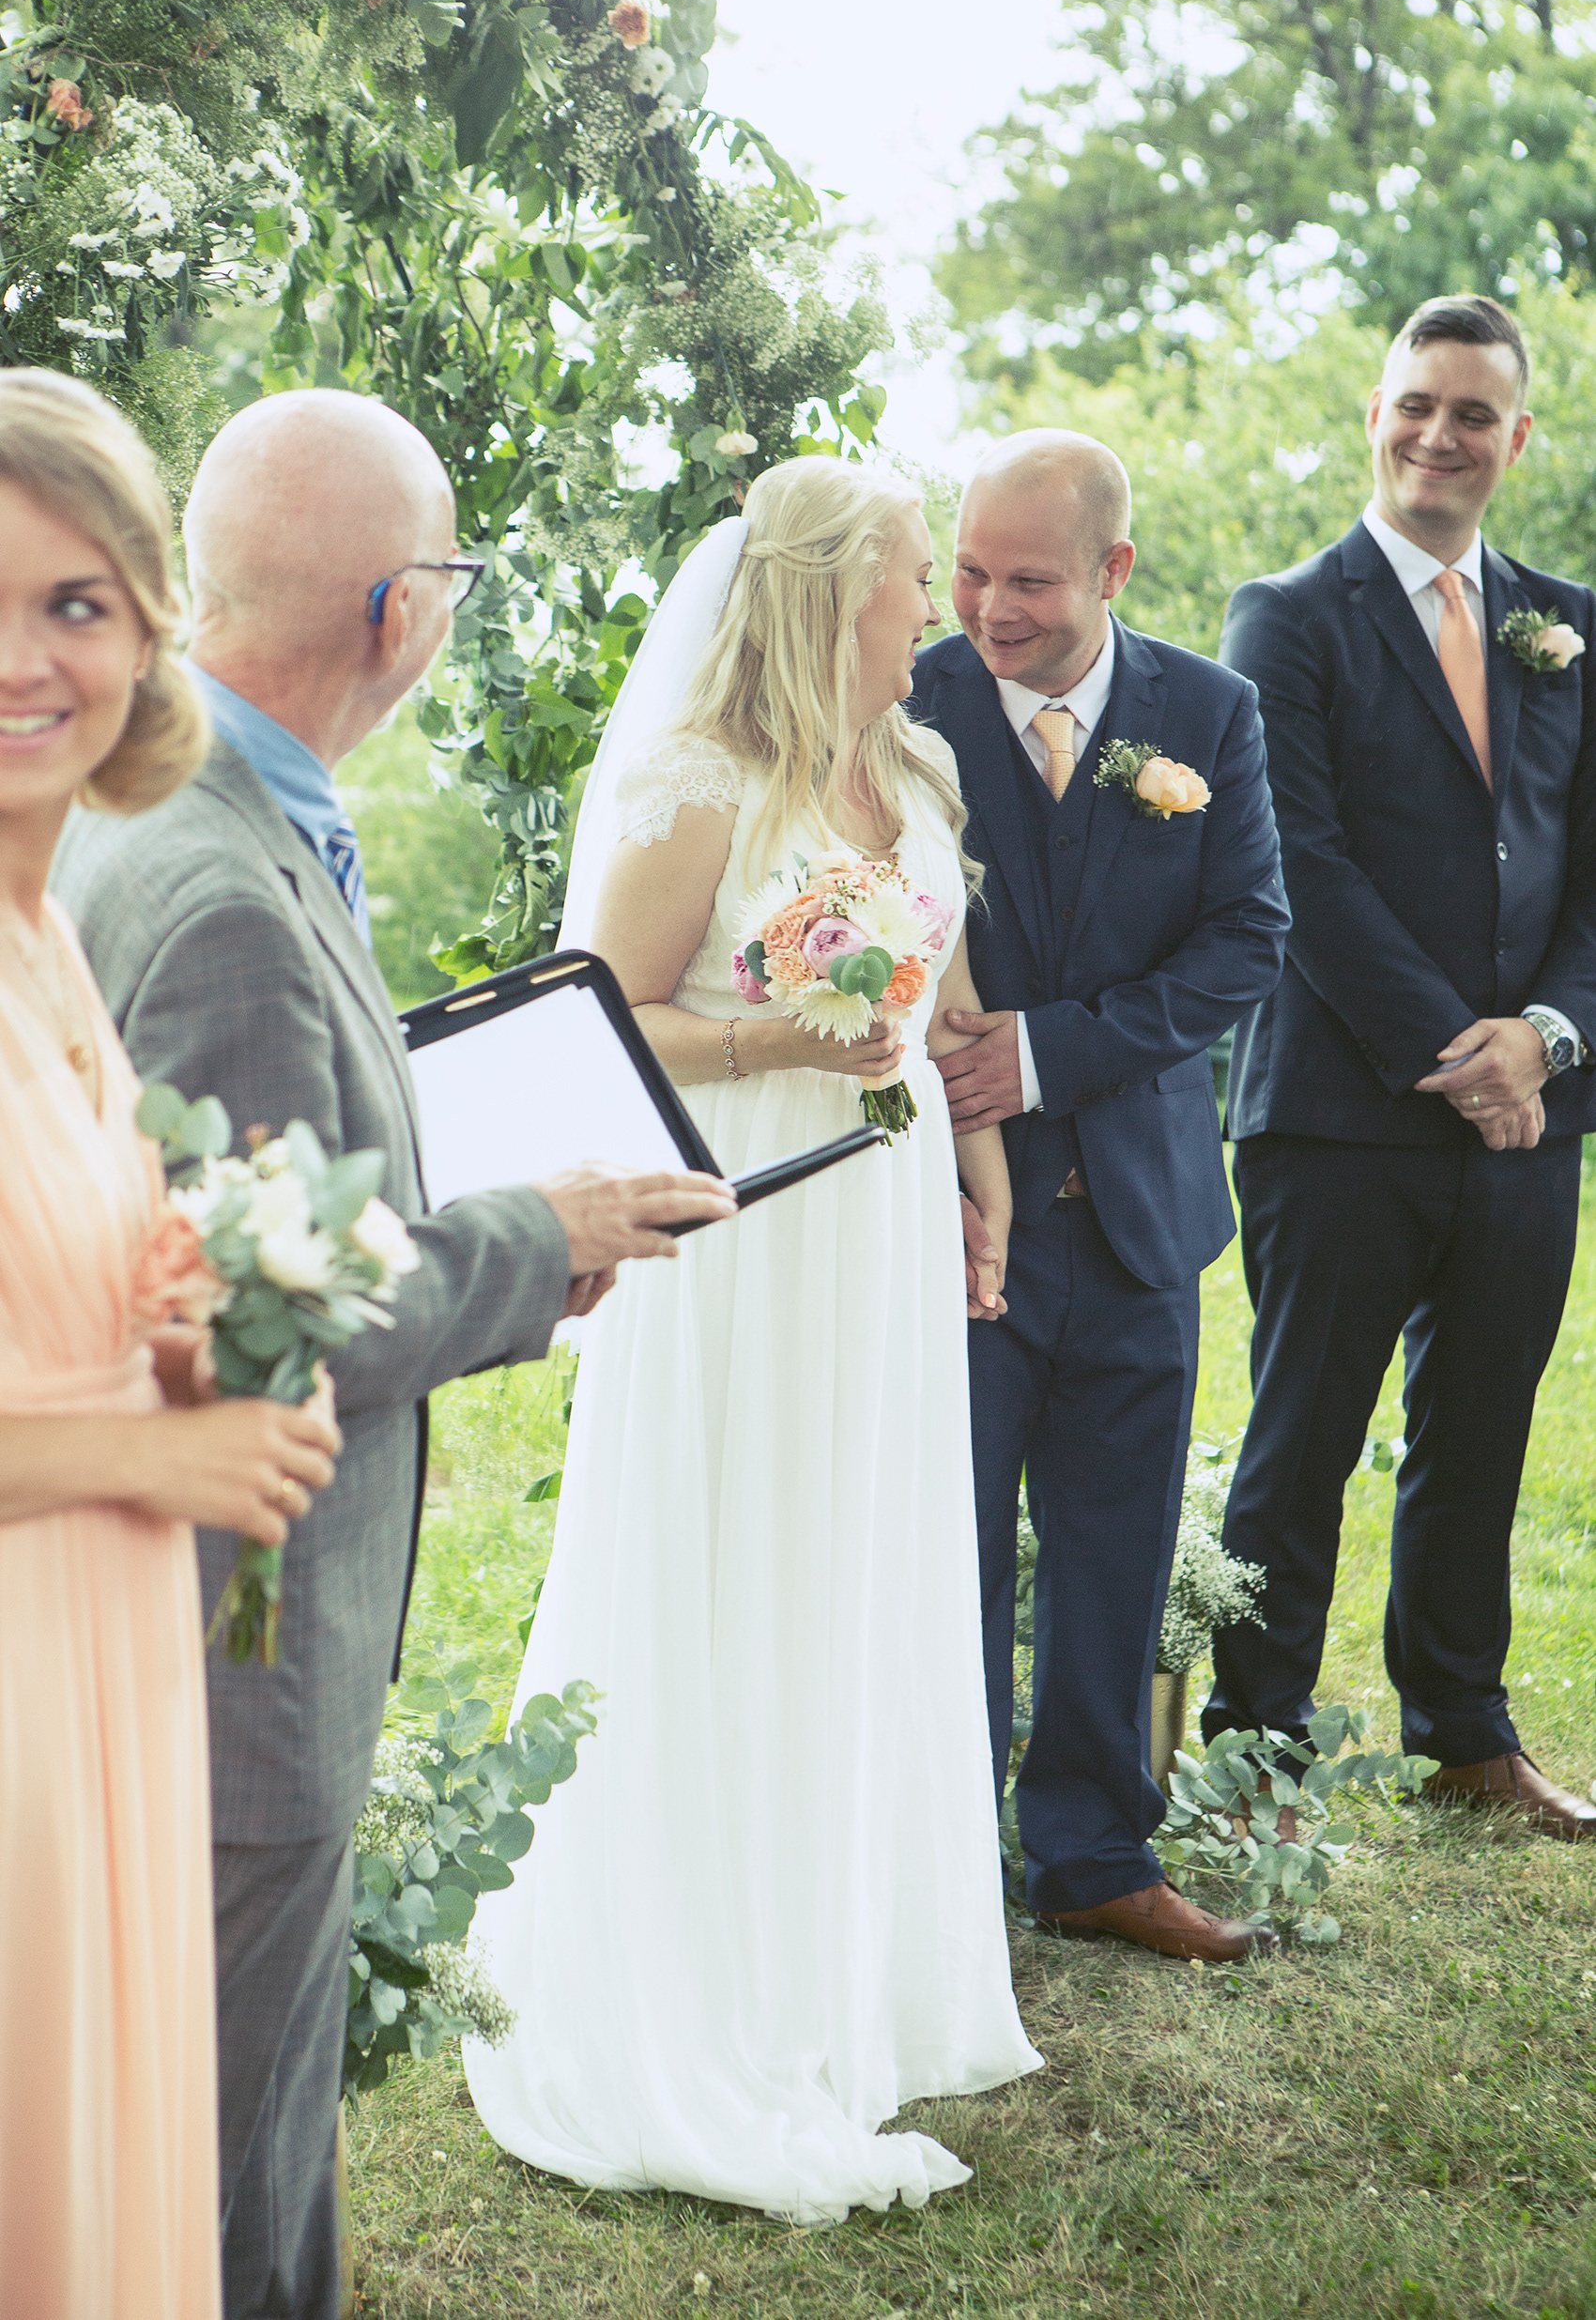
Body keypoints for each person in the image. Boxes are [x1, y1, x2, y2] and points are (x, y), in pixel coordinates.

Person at [52, 388, 736, 2320]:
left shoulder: (169, 807)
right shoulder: (224, 891)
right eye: (447, 573)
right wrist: (541, 1234)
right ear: (396, 610)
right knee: (223, 2155)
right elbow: (252, 1322)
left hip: (163, 1617)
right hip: (234, 1642)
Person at [464, 457, 1040, 2221]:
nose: (936, 604)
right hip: (743, 1214)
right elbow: (602, 1016)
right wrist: (779, 1035)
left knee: (860, 1554)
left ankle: (850, 1964)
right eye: (912, 574)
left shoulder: (917, 767)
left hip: (884, 1204)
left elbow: (941, 992)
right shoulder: (694, 780)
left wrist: (983, 1176)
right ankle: (701, 1971)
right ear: (827, 589)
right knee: (735, 1554)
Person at [0, 369, 342, 2320]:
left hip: (107, 1659)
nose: (23, 659)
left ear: (147, 635)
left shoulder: (45, 924)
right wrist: (153, 1453)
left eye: (72, 603)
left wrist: (182, 1328)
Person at [1209, 296, 1596, 1834]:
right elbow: (1299, 862)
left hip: (1531, 1115)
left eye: (1473, 413)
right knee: (1301, 1437)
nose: (1440, 435)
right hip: (1339, 1112)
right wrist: (1460, 1052)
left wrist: (1542, 1040)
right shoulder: (1286, 616)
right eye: (1416, 404)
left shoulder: (1569, 626)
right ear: (1375, 415)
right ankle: (1255, 1750)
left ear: (1518, 437)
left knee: (1482, 1431)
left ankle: (1464, 1731)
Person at [913, 430, 1290, 1961]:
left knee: (1116, 1545)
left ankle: (1093, 1853)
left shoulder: (1210, 710)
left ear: (1114, 569)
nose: (989, 608)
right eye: (970, 572)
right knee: (947, 1543)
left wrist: (1044, 1054)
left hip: (1141, 1210)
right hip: (955, 1219)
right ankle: (943, 1861)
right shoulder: (906, 701)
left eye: (1031, 581)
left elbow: (1248, 937)